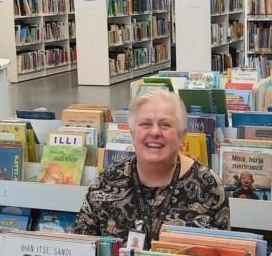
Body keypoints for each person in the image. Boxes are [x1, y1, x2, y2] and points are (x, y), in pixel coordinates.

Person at [74, 90, 230, 245]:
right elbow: (82, 252)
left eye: (165, 125)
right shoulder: (104, 183)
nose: (155, 132)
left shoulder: (208, 185)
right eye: (145, 124)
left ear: (182, 135)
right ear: (132, 132)